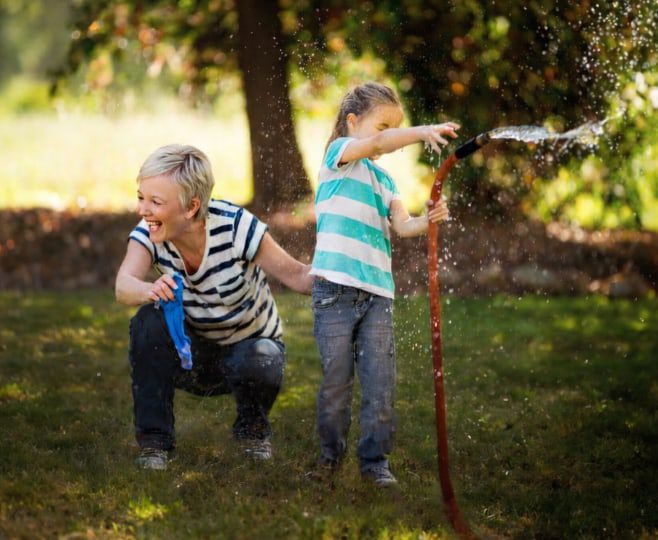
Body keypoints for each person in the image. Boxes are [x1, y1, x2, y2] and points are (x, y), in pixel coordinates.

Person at [115, 144, 313, 470]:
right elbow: (124, 286)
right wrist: (150, 289)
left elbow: (300, 277)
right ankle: (154, 445)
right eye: (141, 198)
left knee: (262, 356)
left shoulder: (237, 228)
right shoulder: (150, 233)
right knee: (147, 321)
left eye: (155, 202)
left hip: (249, 353)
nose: (143, 210)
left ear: (192, 207)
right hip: (191, 355)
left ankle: (252, 433)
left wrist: (348, 272)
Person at [310, 82, 459, 486]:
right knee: (336, 383)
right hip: (335, 292)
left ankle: (375, 462)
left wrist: (428, 219)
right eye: (381, 127)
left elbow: (403, 226)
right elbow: (384, 142)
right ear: (353, 122)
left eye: (395, 128)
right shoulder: (338, 156)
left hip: (377, 294)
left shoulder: (386, 181)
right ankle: (329, 457)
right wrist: (418, 131)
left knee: (380, 383)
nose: (387, 138)